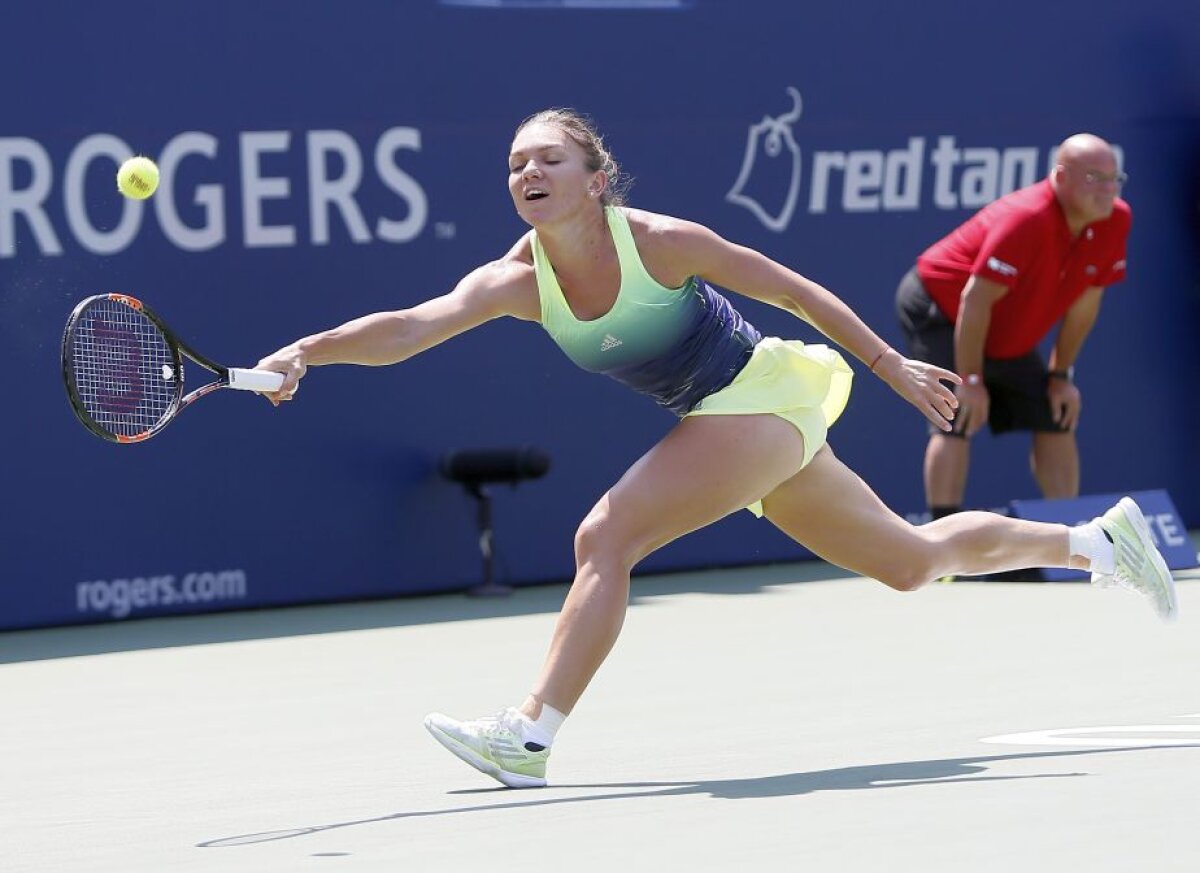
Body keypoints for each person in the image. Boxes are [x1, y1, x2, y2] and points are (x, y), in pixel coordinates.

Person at [255, 112, 1175, 789]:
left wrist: (894, 365)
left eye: (550, 157)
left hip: (764, 394)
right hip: (745, 423)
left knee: (602, 540)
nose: (528, 170)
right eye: (515, 162)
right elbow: (411, 326)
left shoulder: (662, 243)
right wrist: (309, 350)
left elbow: (796, 290)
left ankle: (527, 735)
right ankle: (1101, 541)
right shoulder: (514, 282)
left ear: (594, 179)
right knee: (909, 559)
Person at [895, 133, 1131, 522]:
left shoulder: (1115, 219)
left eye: (1113, 178)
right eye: (1094, 178)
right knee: (955, 415)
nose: (1107, 190)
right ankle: (941, 541)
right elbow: (975, 301)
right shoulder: (1026, 219)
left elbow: (1085, 305)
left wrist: (1059, 374)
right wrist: (970, 379)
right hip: (940, 309)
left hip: (1002, 322)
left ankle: (1069, 533)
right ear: (1061, 176)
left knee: (1055, 414)